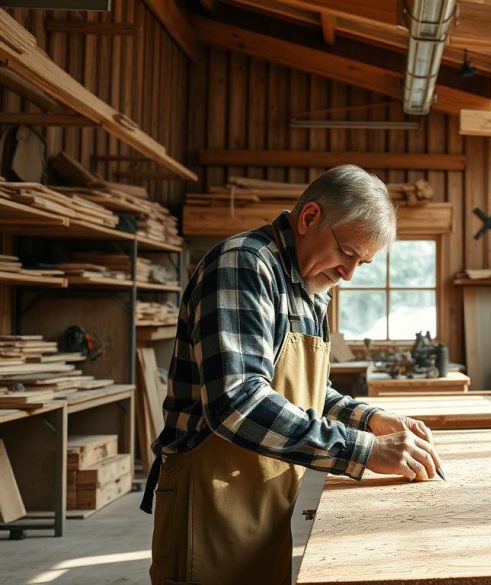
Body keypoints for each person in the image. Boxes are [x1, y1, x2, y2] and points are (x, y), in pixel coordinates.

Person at [142, 165, 442, 585]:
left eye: (363, 263)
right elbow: (238, 403)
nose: (348, 274)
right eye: (348, 253)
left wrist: (369, 420)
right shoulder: (245, 266)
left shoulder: (310, 286)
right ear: (309, 218)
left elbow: (309, 393)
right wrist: (363, 450)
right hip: (208, 500)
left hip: (265, 496)